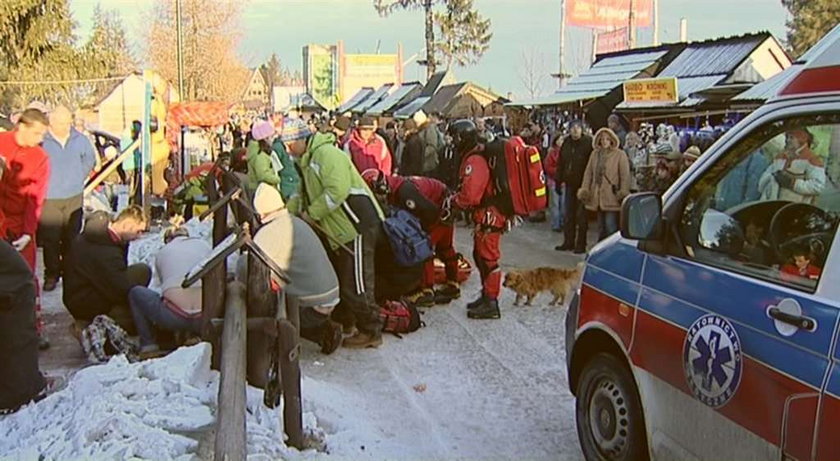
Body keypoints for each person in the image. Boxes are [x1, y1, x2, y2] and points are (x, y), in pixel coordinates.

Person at [281, 118, 385, 349]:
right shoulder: (308, 161)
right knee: (343, 277)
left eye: (289, 143)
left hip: (356, 224)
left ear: (300, 139)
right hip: (340, 228)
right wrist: (284, 214)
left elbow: (337, 190)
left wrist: (312, 214)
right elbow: (302, 194)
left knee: (356, 282)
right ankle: (348, 322)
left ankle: (372, 330)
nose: (287, 149)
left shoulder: (326, 154)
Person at [251, 184, 343, 353]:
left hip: (311, 306)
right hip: (330, 295)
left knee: (264, 301)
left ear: (260, 213)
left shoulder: (268, 233)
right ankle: (323, 329)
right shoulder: (295, 221)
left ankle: (292, 341)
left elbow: (254, 269)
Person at [361, 169, 461, 306]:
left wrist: (422, 232)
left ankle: (425, 290)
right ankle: (452, 283)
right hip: (444, 203)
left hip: (437, 210)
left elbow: (428, 212)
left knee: (422, 247)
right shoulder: (399, 185)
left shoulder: (404, 192)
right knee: (446, 247)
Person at [0, 108, 51, 349]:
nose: (40, 139)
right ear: (22, 127)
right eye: (37, 133)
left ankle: (33, 328)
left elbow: (35, 198)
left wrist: (28, 233)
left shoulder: (40, 158)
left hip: (21, 224)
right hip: (1, 219)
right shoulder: (1, 145)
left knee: (26, 277)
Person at [63, 206, 152, 333]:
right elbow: (119, 289)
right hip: (85, 302)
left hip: (78, 294)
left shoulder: (99, 236)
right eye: (138, 231)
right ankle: (89, 327)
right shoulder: (106, 250)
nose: (139, 237)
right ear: (127, 225)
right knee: (142, 274)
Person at [449, 119, 505, 320]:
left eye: (455, 137)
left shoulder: (475, 160)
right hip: (487, 213)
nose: (452, 142)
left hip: (490, 215)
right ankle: (486, 295)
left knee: (488, 259)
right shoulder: (476, 155)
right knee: (480, 255)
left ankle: (492, 302)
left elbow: (471, 195)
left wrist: (455, 201)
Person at [127, 227, 211, 357]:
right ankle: (194, 335)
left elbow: (163, 287)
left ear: (168, 240)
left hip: (174, 316)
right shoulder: (205, 246)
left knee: (136, 293)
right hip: (205, 315)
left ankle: (148, 345)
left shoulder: (163, 252)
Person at [39, 106, 96, 293]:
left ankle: (71, 272)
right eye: (61, 123)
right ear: (51, 122)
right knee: (51, 239)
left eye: (68, 122)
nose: (66, 126)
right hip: (50, 197)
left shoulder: (80, 139)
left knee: (72, 237)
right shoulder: (42, 141)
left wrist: (79, 176)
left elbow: (90, 159)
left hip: (73, 195)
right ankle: (52, 274)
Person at [578, 128, 632, 242]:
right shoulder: (595, 154)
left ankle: (612, 251)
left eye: (607, 139)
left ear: (612, 140)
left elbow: (624, 175)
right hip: (597, 196)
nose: (604, 141)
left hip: (611, 195)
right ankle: (601, 251)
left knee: (611, 226)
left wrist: (623, 191)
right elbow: (588, 174)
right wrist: (585, 189)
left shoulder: (620, 154)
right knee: (601, 227)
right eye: (602, 139)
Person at [554, 120, 593, 253]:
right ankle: (568, 241)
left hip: (583, 184)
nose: (575, 130)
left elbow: (591, 164)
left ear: (582, 129)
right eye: (573, 128)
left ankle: (581, 244)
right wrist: (558, 181)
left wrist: (589, 185)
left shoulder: (588, 143)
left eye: (578, 128)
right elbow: (561, 163)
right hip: (569, 183)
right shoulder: (566, 143)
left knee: (581, 216)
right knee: (568, 215)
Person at [758, 129, 825, 204]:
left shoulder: (812, 159)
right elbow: (763, 181)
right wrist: (773, 178)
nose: (787, 140)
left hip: (797, 210)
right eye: (787, 137)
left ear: (802, 139)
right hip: (774, 207)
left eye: (791, 137)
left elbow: (818, 186)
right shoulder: (780, 157)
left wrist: (792, 183)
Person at [246, 120, 281, 194]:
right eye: (271, 136)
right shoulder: (260, 154)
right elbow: (263, 175)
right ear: (265, 138)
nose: (272, 139)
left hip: (257, 189)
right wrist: (277, 179)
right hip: (263, 191)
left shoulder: (255, 151)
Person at [415, 110, 444, 177]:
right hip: (422, 165)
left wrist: (421, 155)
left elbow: (432, 146)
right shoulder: (421, 129)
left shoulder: (429, 128)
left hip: (429, 166)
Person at [545, 134, 564, 233]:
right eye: (560, 139)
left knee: (563, 204)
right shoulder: (552, 153)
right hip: (553, 181)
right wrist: (559, 171)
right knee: (555, 204)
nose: (561, 141)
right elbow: (548, 167)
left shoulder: (565, 152)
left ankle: (562, 222)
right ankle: (556, 224)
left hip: (564, 182)